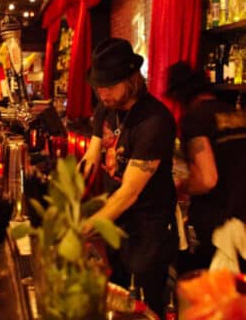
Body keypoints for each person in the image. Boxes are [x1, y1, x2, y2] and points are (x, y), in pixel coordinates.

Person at [80, 38, 178, 318]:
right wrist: (70, 196)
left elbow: (130, 192)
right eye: (99, 86)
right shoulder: (105, 108)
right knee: (116, 300)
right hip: (116, 222)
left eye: (110, 86)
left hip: (148, 229)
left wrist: (85, 227)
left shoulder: (154, 121)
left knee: (143, 308)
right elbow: (92, 155)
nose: (103, 93)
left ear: (132, 79)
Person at [165, 61, 246, 273]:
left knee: (203, 292)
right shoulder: (237, 114)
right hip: (242, 217)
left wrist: (180, 186)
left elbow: (207, 179)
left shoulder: (194, 119)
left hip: (218, 223)